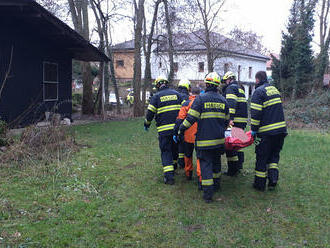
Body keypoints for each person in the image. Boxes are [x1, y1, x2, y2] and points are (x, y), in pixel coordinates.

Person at [177, 72, 229, 203]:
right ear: (217, 85)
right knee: (216, 164)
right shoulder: (224, 100)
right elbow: (227, 121)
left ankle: (208, 194)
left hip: (204, 141)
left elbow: (191, 118)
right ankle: (216, 185)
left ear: (206, 84)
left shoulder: (201, 99)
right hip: (219, 141)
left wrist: (181, 129)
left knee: (205, 166)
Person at [251, 71, 287, 191]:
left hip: (266, 133)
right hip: (281, 131)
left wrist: (253, 130)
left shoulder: (258, 92)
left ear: (257, 80)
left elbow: (256, 114)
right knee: (273, 157)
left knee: (262, 157)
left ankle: (259, 185)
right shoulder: (274, 89)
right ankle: (273, 179)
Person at [144, 76, 182, 185]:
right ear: (166, 83)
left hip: (164, 130)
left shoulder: (156, 97)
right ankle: (174, 168)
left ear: (157, 85)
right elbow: (185, 108)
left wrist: (147, 124)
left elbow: (150, 113)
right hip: (176, 129)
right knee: (175, 149)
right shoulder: (177, 94)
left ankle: (169, 177)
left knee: (166, 151)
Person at [221, 71, 248, 176]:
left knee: (230, 146)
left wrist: (229, 119)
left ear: (229, 79)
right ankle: (238, 166)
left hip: (234, 121)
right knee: (238, 145)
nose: (225, 83)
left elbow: (231, 104)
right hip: (241, 121)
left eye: (225, 81)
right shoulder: (239, 88)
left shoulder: (231, 88)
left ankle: (232, 170)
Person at [174, 87, 201, 184]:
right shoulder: (202, 103)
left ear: (190, 93)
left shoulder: (186, 104)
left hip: (188, 134)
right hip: (200, 135)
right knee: (200, 156)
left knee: (188, 154)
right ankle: (200, 176)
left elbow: (180, 119)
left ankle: (188, 173)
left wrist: (176, 131)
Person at [176, 78, 191, 169]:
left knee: (178, 143)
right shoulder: (186, 97)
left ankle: (179, 161)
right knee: (183, 143)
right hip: (184, 122)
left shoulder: (176, 95)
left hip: (175, 121)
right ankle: (182, 163)